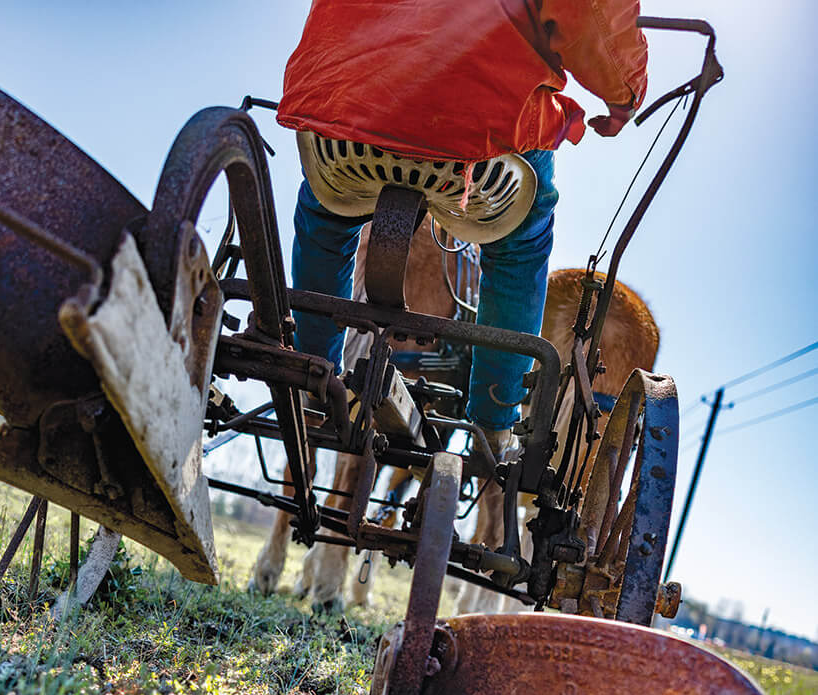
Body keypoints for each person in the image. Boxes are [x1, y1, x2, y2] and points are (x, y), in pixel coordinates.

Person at [276, 0, 648, 459]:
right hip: (477, 132)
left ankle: (312, 372)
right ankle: (494, 425)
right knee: (519, 249)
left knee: (325, 216)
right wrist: (624, 92)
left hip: (349, 107)